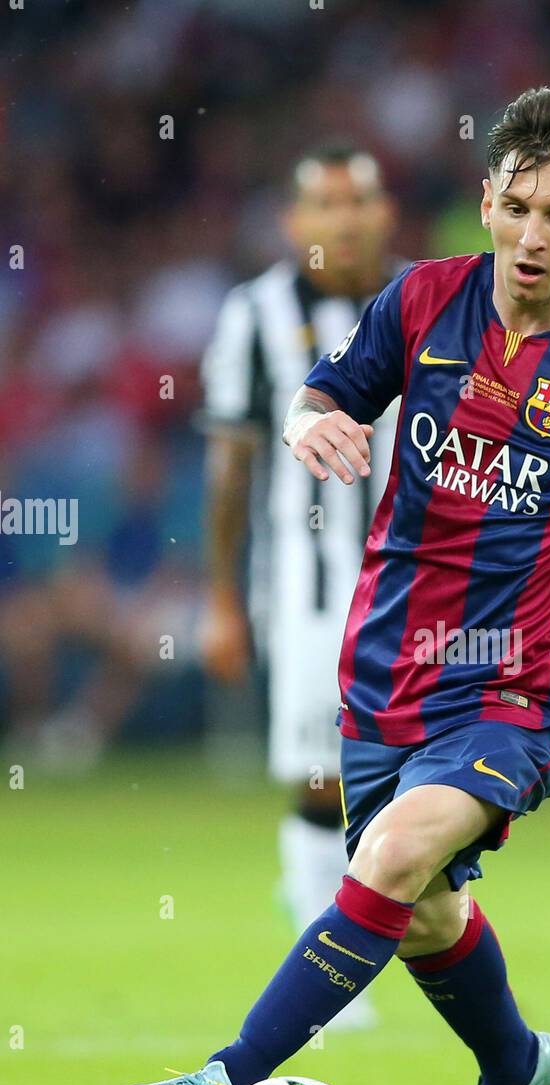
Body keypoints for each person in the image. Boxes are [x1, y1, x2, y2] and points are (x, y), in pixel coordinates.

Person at [105, 84, 550, 1085]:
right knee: (425, 914)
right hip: (383, 674)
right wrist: (311, 420)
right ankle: (518, 1072)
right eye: (513, 207)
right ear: (485, 203)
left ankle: (220, 1082)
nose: (530, 236)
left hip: (512, 686)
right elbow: (324, 391)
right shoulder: (422, 299)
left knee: (391, 858)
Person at [199, 144, 401, 1029]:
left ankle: (346, 925)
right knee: (325, 777)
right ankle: (330, 963)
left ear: (383, 212)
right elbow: (230, 467)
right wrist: (220, 602)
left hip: (418, 580)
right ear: (293, 221)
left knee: (410, 783)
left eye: (358, 199)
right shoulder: (255, 314)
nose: (344, 217)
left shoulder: (427, 305)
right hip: (310, 579)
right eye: (324, 201)